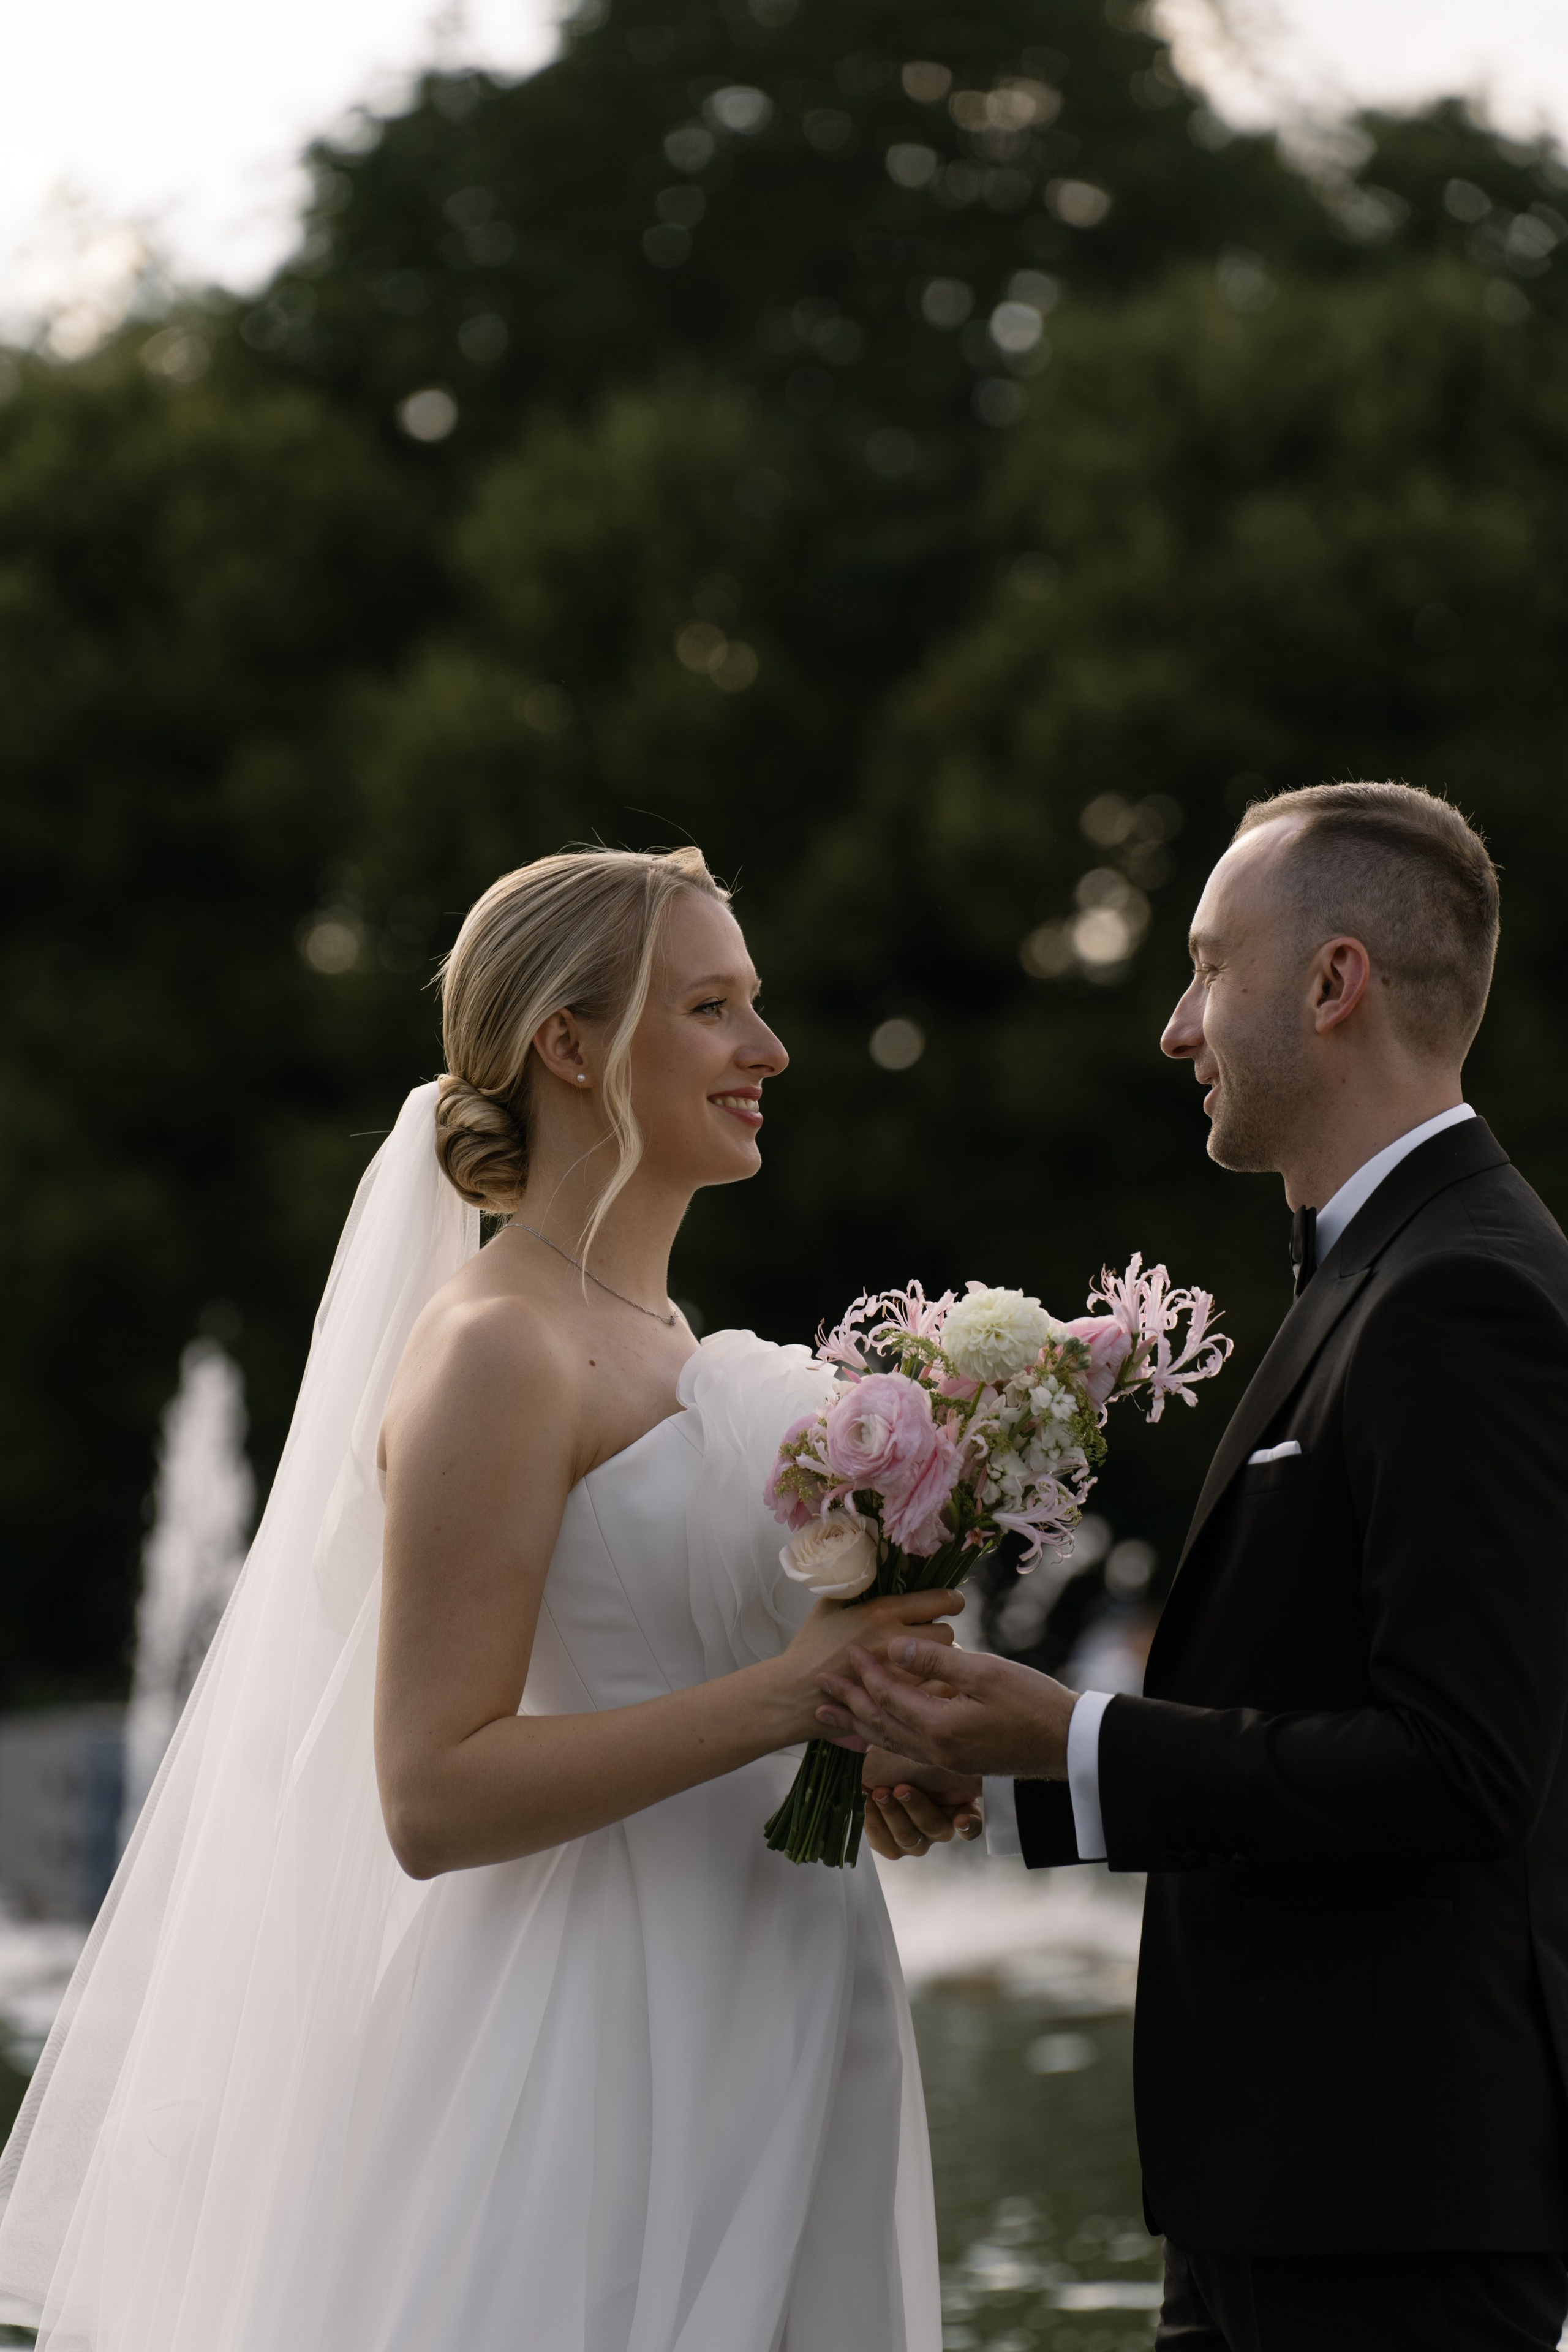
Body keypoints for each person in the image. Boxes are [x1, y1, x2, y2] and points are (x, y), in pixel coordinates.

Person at [0, 846, 971, 2352]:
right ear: (568, 1047)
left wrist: (858, 1758)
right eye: (711, 1008)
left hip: (774, 1986)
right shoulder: (497, 1352)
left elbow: (677, 1677)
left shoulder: (658, 1333)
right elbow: (432, 1792)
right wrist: (794, 1695)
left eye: (753, 1008)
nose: (766, 1051)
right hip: (592, 2032)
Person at [820, 783, 1568, 2351]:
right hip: (1280, 2191)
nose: (1173, 1027)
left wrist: (1069, 1736)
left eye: (1205, 966)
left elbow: (1460, 1769)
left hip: (1387, 2211)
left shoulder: (1462, 1296)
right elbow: (1285, 1698)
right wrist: (998, 1775)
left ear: (1331, 983)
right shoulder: (1373, 1267)